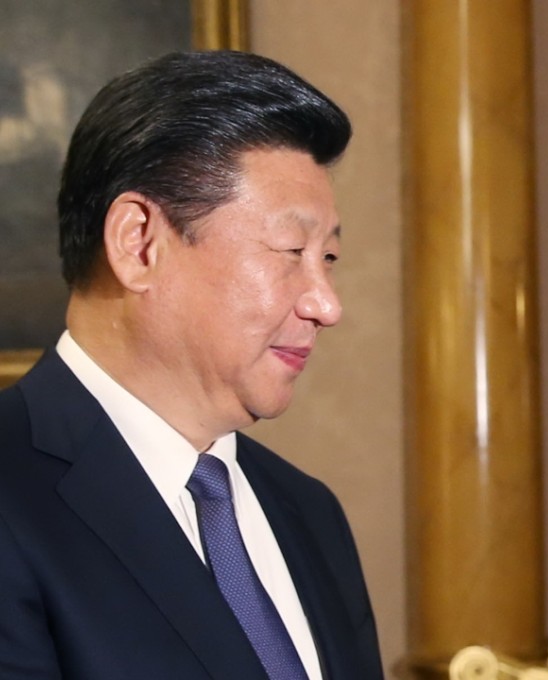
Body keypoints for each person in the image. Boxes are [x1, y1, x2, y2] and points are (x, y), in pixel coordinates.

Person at [0, 51, 383, 679]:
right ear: (139, 243)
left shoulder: (308, 513)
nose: (327, 305)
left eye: (330, 258)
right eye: (291, 250)